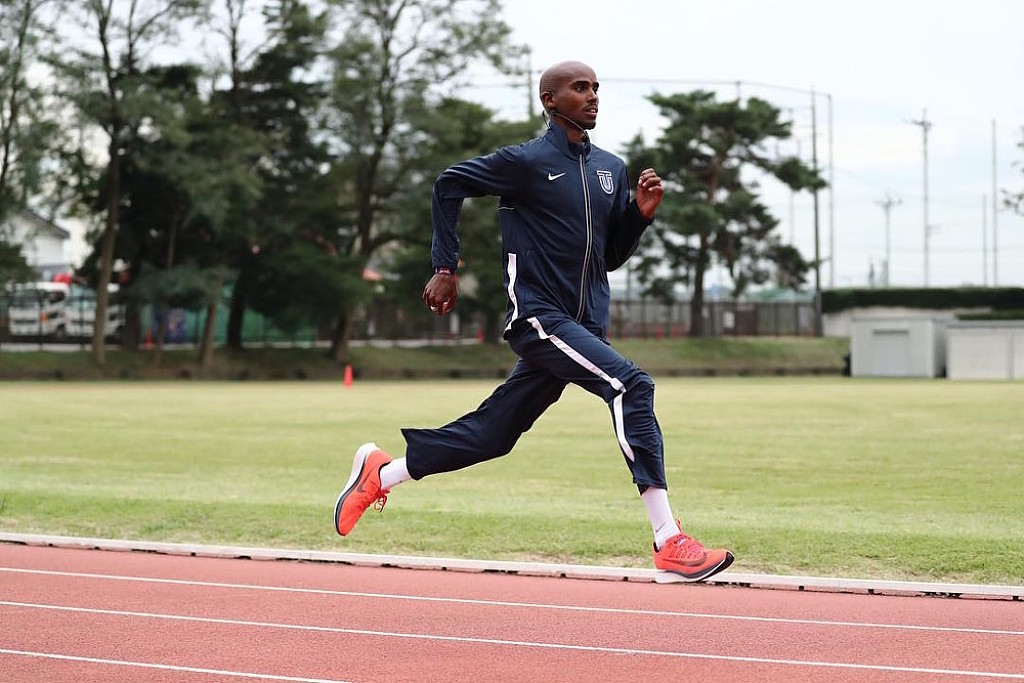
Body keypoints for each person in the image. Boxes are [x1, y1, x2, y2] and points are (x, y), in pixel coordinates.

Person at [334, 60, 734, 582]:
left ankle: (381, 474)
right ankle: (668, 539)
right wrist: (445, 266)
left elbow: (608, 258)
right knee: (631, 385)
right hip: (539, 318)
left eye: (595, 88)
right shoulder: (525, 162)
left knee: (494, 435)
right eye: (579, 88)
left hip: (584, 325)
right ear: (549, 100)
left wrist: (639, 216)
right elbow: (448, 185)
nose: (592, 96)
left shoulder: (611, 169)